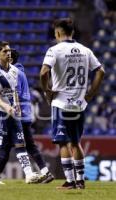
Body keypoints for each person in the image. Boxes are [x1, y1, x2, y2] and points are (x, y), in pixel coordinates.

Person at [40, 18, 105, 189]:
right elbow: (101, 71)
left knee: (63, 143)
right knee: (76, 143)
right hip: (79, 104)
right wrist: (90, 94)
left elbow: (43, 73)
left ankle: (70, 181)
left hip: (61, 103)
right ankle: (81, 181)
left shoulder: (54, 50)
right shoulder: (85, 50)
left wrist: (47, 91)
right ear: (73, 32)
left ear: (58, 33)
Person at [0, 49, 54, 184]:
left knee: (22, 145)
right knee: (9, 147)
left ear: (11, 60)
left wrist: (11, 107)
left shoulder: (15, 73)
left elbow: (14, 93)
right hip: (22, 112)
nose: (7, 57)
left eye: (9, 55)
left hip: (17, 113)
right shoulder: (21, 72)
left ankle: (44, 172)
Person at [0, 41, 40, 185]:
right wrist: (5, 106)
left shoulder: (15, 70)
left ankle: (29, 175)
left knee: (20, 143)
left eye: (9, 51)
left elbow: (14, 91)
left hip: (13, 112)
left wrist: (16, 106)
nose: (8, 53)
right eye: (4, 51)